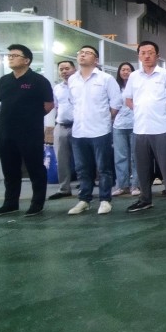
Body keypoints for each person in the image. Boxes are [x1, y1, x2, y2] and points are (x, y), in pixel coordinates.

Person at [0, 44, 54, 217]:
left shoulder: (39, 81)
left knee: (35, 168)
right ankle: (10, 203)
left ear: (26, 60)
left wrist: (31, 118)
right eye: (9, 55)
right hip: (6, 132)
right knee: (10, 170)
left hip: (30, 133)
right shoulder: (3, 81)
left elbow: (49, 105)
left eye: (15, 55)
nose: (10, 58)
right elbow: (3, 104)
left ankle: (37, 203)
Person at [123, 41, 166, 214]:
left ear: (157, 56)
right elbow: (128, 99)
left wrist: (162, 111)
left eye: (150, 52)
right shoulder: (134, 76)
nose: (147, 56)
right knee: (142, 167)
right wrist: (141, 110)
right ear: (138, 56)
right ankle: (145, 199)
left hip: (161, 128)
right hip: (140, 129)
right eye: (143, 53)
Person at [66, 45, 122, 215]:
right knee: (82, 168)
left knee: (104, 168)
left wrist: (105, 118)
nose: (83, 55)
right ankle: (84, 200)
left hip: (100, 131)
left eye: (87, 53)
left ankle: (105, 200)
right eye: (80, 53)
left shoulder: (105, 79)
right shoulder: (72, 79)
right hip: (78, 131)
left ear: (96, 60)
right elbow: (72, 102)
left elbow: (116, 102)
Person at [47, 59, 76, 200]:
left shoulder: (80, 86)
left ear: (74, 69)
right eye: (61, 69)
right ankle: (64, 189)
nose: (64, 71)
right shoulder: (57, 88)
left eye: (67, 68)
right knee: (61, 159)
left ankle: (86, 187)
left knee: (82, 158)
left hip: (79, 126)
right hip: (61, 126)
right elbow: (56, 106)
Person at [111, 62, 139, 197]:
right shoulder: (115, 87)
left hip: (135, 124)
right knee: (120, 157)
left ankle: (136, 185)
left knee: (136, 157)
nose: (125, 72)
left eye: (128, 70)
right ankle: (122, 185)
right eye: (123, 69)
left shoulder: (137, 86)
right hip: (119, 126)